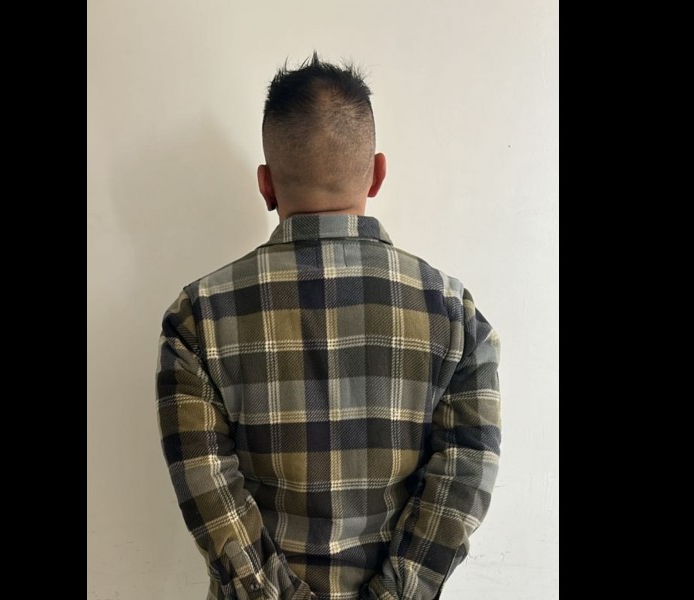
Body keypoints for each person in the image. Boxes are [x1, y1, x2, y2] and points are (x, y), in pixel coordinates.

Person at [156, 52, 501, 600]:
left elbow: (207, 488)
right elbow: (466, 477)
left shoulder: (196, 318)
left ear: (266, 185)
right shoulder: (456, 316)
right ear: (378, 173)